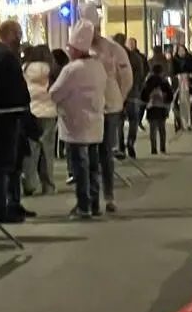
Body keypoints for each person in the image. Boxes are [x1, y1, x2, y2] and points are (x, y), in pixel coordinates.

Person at [50, 21, 107, 219]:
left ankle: (84, 206)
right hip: (95, 122)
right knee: (93, 166)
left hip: (75, 123)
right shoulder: (98, 67)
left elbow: (56, 92)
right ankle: (94, 202)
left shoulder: (72, 70)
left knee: (80, 167)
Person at [89, 16, 133, 213]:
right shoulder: (81, 50)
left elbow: (126, 77)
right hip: (89, 108)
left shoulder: (114, 50)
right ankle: (91, 198)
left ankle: (108, 196)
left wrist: (119, 98)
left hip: (109, 107)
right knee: (89, 153)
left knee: (105, 152)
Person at [0, 21, 31, 222]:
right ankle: (3, 207)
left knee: (9, 164)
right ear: (10, 34)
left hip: (0, 117)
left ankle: (11, 203)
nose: (20, 38)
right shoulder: (5, 57)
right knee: (6, 165)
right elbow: (16, 88)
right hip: (7, 117)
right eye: (18, 34)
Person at [23, 45, 59, 196]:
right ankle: (48, 185)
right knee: (48, 151)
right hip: (49, 112)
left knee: (31, 151)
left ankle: (29, 184)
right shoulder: (53, 69)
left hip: (31, 111)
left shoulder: (25, 68)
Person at [117, 34, 149, 157]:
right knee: (133, 120)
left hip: (118, 95)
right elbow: (141, 75)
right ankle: (130, 142)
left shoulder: (115, 57)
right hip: (133, 93)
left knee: (118, 121)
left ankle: (120, 146)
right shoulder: (135, 57)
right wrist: (137, 88)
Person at [141, 62, 174, 155]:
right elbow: (170, 95)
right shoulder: (164, 82)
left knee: (153, 130)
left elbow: (143, 96)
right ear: (161, 72)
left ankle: (153, 148)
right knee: (162, 129)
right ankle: (162, 147)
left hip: (151, 108)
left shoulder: (148, 82)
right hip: (161, 108)